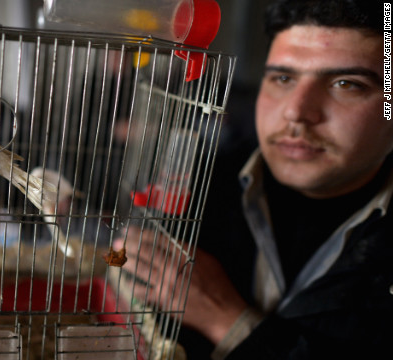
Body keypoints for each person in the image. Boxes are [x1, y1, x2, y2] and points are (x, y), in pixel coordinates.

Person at [114, 0, 393, 359]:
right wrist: (109, 259)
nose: (296, 111)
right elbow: (123, 271)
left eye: (346, 83)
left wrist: (226, 320)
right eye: (283, 78)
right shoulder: (204, 180)